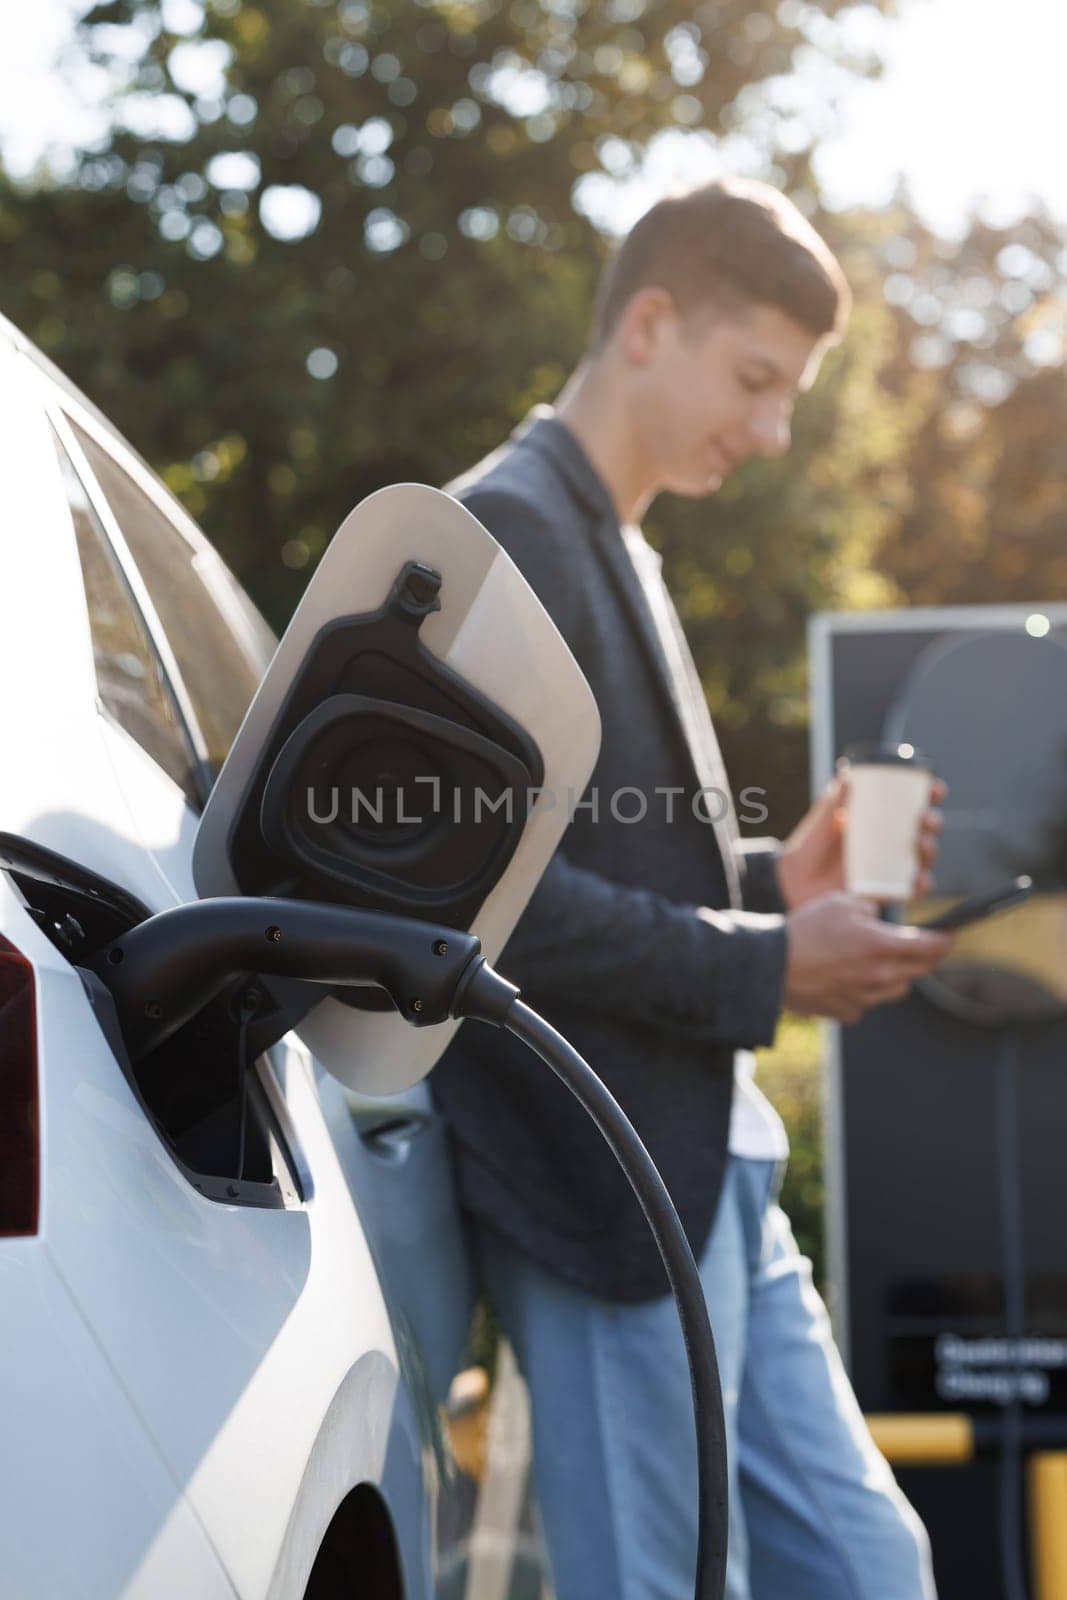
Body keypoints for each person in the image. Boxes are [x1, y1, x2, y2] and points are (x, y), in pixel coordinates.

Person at [431, 178, 952, 1599]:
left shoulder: (621, 540)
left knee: (869, 1568)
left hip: (710, 1170)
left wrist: (784, 881)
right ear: (649, 324)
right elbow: (492, 910)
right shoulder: (512, 532)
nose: (776, 430)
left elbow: (607, 859)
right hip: (603, 1196)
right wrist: (775, 967)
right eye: (757, 382)